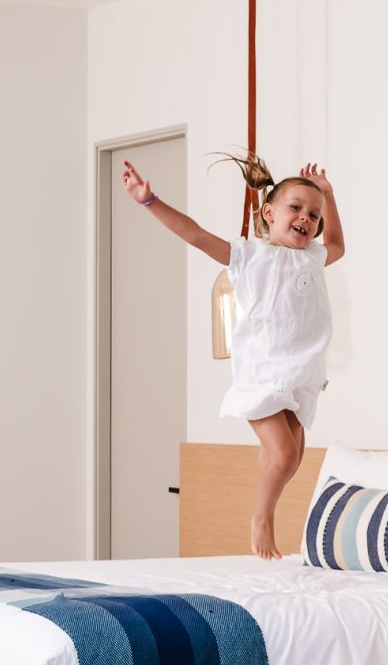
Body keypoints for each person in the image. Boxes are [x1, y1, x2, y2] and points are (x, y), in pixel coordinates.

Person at [121, 154, 345, 558]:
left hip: (301, 373)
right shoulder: (250, 256)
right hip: (261, 374)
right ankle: (262, 518)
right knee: (282, 455)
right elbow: (195, 235)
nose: (306, 218)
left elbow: (338, 245)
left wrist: (330, 195)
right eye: (296, 208)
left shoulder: (312, 256)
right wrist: (150, 201)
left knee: (291, 460)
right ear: (269, 212)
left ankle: (264, 511)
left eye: (315, 214)